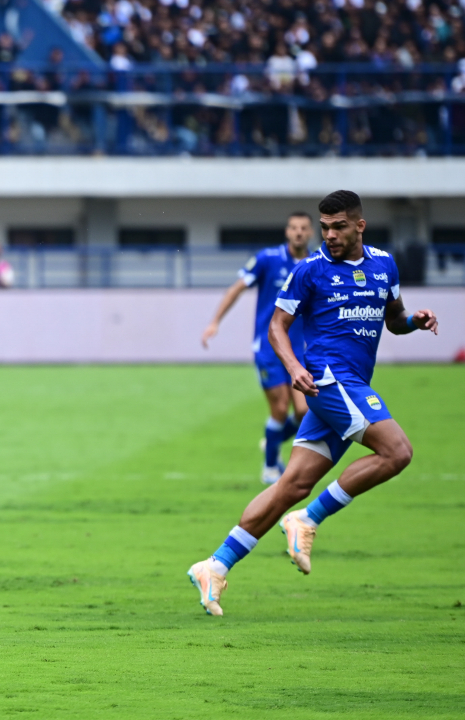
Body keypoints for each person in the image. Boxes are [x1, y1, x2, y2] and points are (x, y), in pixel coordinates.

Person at [187, 190, 439, 617]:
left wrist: (413, 321)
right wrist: (293, 367)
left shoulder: (384, 265)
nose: (329, 235)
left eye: (338, 226)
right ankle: (307, 520)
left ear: (359, 225)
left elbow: (393, 319)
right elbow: (277, 327)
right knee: (397, 452)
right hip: (328, 379)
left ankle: (214, 565)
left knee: (292, 486)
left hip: (352, 382)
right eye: (324, 228)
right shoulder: (310, 271)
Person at [201, 213, 313, 484]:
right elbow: (237, 288)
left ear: (311, 233)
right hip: (269, 347)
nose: (298, 232)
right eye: (294, 228)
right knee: (279, 408)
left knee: (304, 413)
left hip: (301, 349)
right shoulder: (268, 259)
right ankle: (271, 466)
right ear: (287, 231)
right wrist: (215, 322)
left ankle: (271, 441)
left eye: (303, 228)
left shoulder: (315, 264)